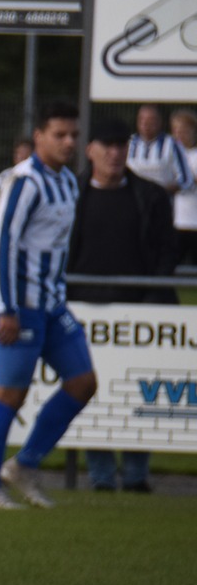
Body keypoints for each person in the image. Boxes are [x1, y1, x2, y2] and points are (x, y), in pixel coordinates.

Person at [0, 102, 94, 510]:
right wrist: (5, 307)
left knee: (82, 382)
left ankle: (24, 465)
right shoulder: (24, 183)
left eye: (74, 135)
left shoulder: (69, 183)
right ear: (38, 136)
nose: (69, 142)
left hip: (53, 305)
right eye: (60, 135)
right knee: (10, 393)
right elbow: (2, 245)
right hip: (18, 306)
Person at [69, 117, 179, 493]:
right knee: (89, 393)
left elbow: (168, 250)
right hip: (84, 312)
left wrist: (152, 296)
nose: (115, 153)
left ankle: (135, 475)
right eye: (107, 145)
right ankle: (100, 475)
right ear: (91, 150)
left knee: (135, 393)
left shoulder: (150, 195)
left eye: (121, 145)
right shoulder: (72, 192)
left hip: (139, 312)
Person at [124, 105, 195, 267]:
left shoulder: (172, 145)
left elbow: (186, 180)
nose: (146, 125)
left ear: (159, 123)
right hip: (132, 206)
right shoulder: (129, 144)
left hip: (160, 209)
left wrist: (162, 191)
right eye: (142, 120)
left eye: (151, 121)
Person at [171, 109, 197, 264]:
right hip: (176, 222)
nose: (180, 135)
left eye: (185, 130)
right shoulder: (170, 154)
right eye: (176, 130)